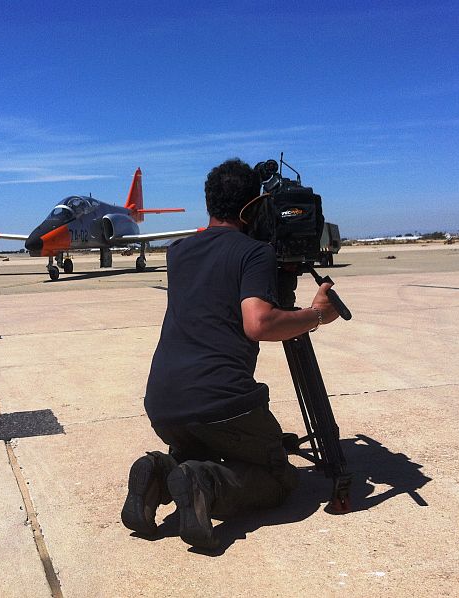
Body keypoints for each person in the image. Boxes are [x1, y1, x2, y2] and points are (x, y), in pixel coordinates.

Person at [121, 158, 340, 550]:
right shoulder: (253, 253)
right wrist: (317, 315)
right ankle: (205, 484)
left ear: (209, 204)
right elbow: (259, 322)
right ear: (251, 208)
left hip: (164, 405)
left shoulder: (179, 252)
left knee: (204, 449)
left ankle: (159, 471)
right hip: (221, 403)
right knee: (280, 478)